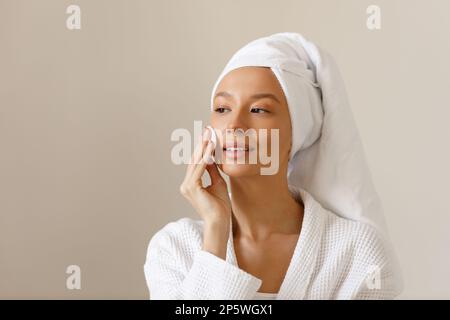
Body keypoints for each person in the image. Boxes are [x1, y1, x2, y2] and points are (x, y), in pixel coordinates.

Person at [143, 32, 403, 300]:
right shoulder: (175, 247)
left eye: (259, 110)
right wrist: (216, 235)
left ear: (297, 131)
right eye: (222, 109)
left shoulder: (359, 254)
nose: (234, 125)